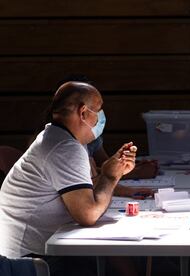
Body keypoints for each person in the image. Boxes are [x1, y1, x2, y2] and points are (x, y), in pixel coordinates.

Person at [0, 82, 137, 275]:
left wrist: (112, 168)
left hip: (28, 251)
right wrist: (110, 175)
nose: (101, 117)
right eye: (98, 110)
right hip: (30, 260)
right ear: (83, 113)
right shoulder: (65, 147)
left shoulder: (59, 137)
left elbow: (79, 191)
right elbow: (88, 215)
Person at [87, 135, 158, 199]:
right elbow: (91, 181)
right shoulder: (77, 147)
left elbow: (103, 164)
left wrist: (126, 165)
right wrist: (133, 175)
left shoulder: (93, 138)